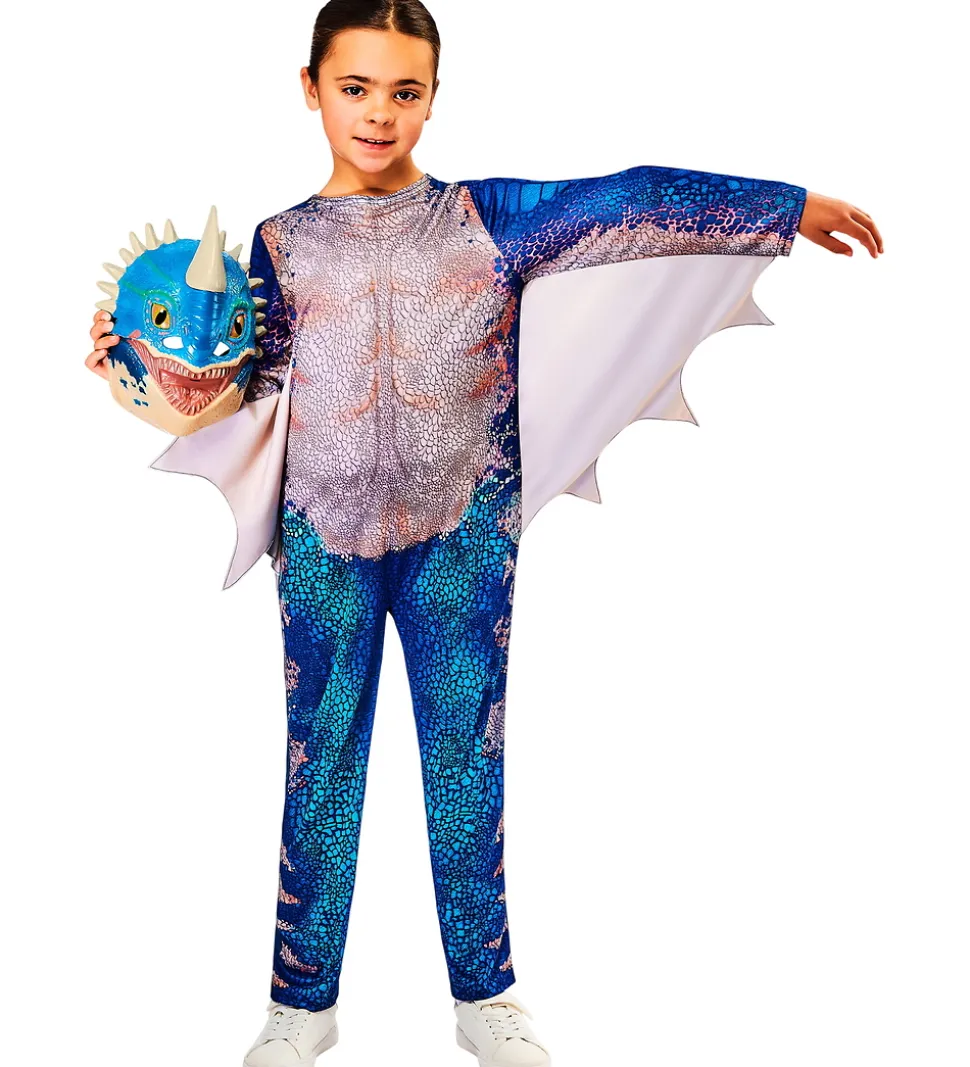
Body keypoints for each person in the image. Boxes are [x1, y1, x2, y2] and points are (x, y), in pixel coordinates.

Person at [85, 2, 884, 1064]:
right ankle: (301, 999)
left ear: (432, 98)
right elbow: (224, 387)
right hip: (321, 542)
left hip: (461, 538)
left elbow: (632, 197)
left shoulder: (487, 219)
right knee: (321, 761)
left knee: (466, 760)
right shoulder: (274, 250)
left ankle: (485, 992)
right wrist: (136, 372)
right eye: (355, 87)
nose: (378, 113)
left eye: (403, 91)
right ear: (311, 89)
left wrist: (781, 208)